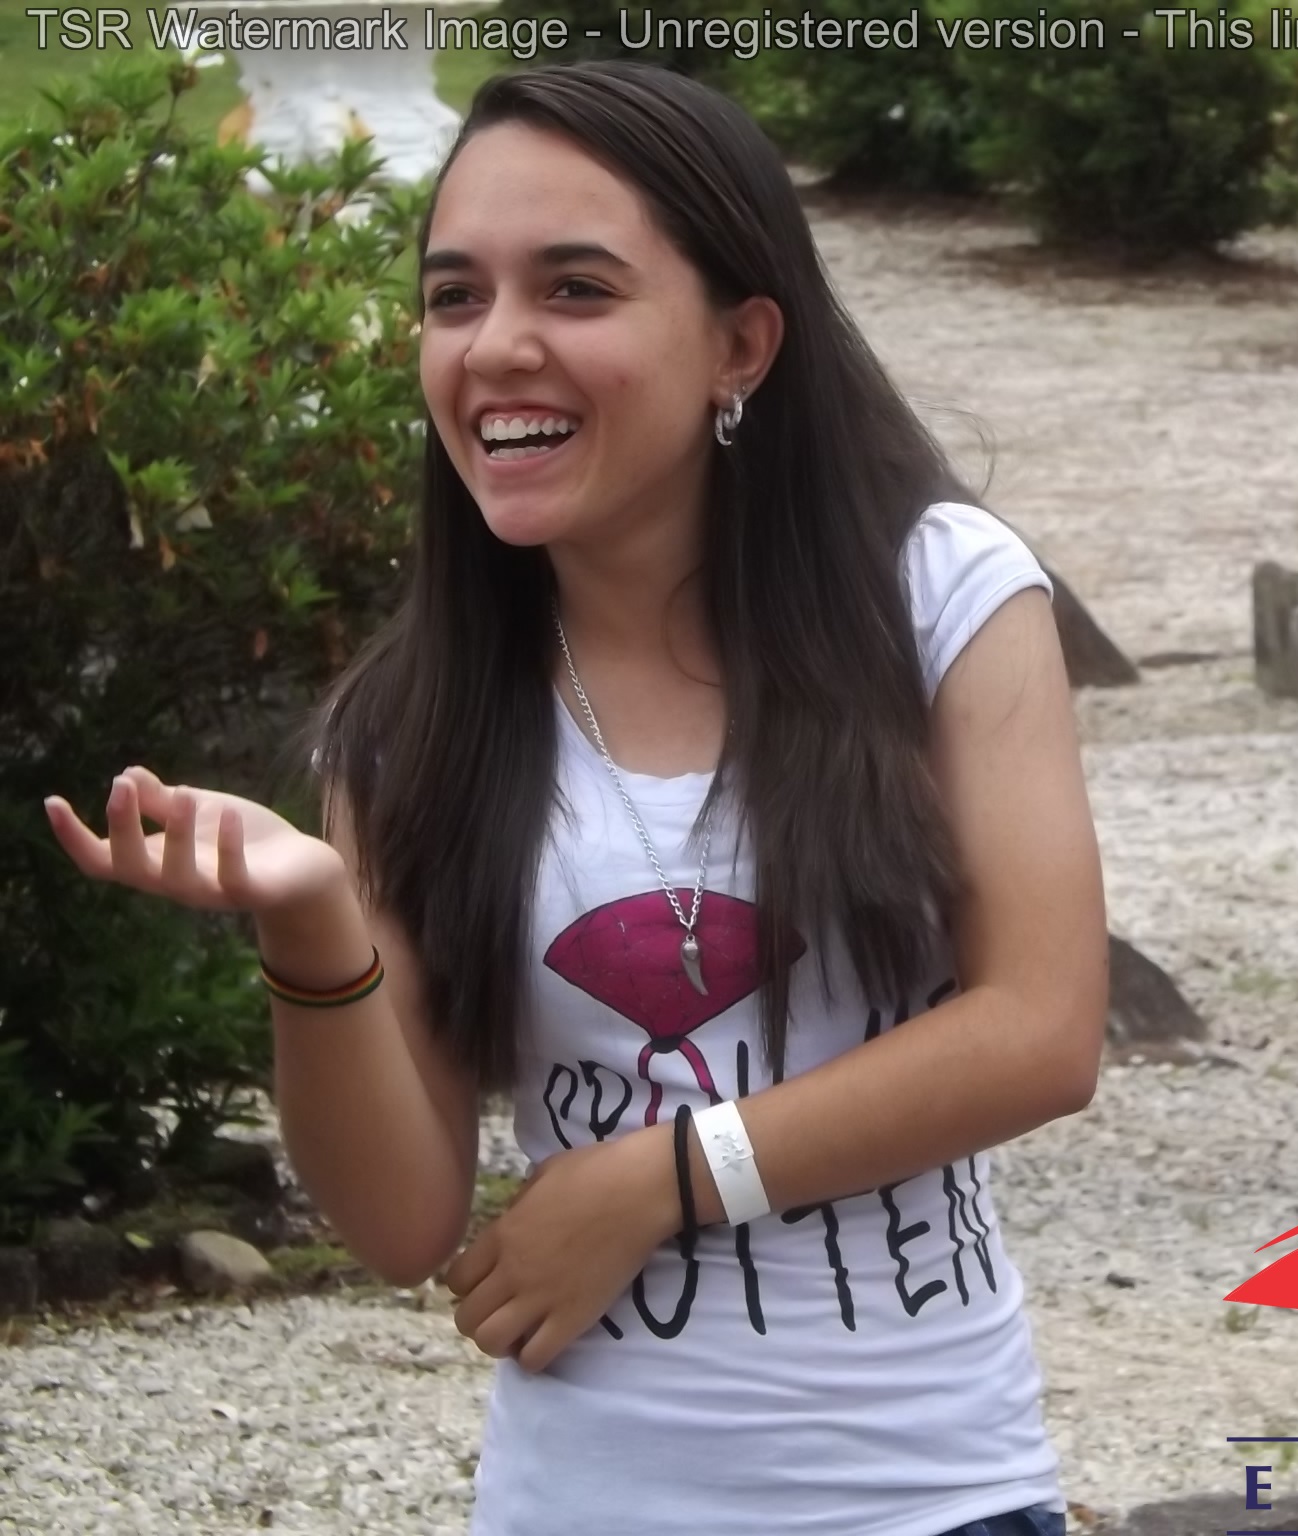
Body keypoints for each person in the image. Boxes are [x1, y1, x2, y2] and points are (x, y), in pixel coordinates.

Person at [44, 61, 1105, 1536]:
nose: (498, 348)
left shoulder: (939, 593)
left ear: (741, 344)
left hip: (935, 1500)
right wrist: (311, 929)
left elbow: (1041, 1030)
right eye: (454, 297)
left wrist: (664, 1177)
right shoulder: (410, 726)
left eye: (577, 290)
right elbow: (402, 1221)